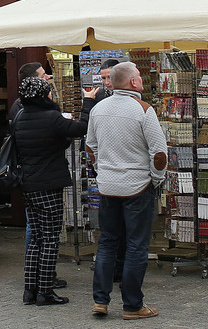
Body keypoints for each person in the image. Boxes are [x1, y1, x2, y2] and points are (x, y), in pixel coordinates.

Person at [86, 62, 167, 321]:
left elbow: (90, 147)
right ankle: (132, 304)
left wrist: (102, 171)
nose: (142, 79)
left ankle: (100, 300)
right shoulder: (143, 110)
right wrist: (155, 179)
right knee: (135, 246)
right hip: (137, 186)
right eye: (140, 76)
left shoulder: (98, 109)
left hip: (108, 186)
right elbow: (159, 153)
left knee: (108, 243)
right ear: (133, 83)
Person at [13, 76, 86, 306]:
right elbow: (80, 129)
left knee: (36, 238)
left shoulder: (19, 117)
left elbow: (48, 143)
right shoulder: (51, 117)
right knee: (51, 239)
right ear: (44, 94)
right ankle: (45, 291)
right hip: (48, 185)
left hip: (28, 185)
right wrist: (89, 103)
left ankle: (29, 290)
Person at [80, 58, 126, 282]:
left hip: (124, 172)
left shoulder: (133, 101)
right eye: (104, 78)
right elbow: (91, 139)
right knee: (110, 229)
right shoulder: (97, 98)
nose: (107, 82)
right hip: (107, 171)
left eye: (110, 77)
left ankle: (119, 269)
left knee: (122, 229)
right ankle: (112, 271)